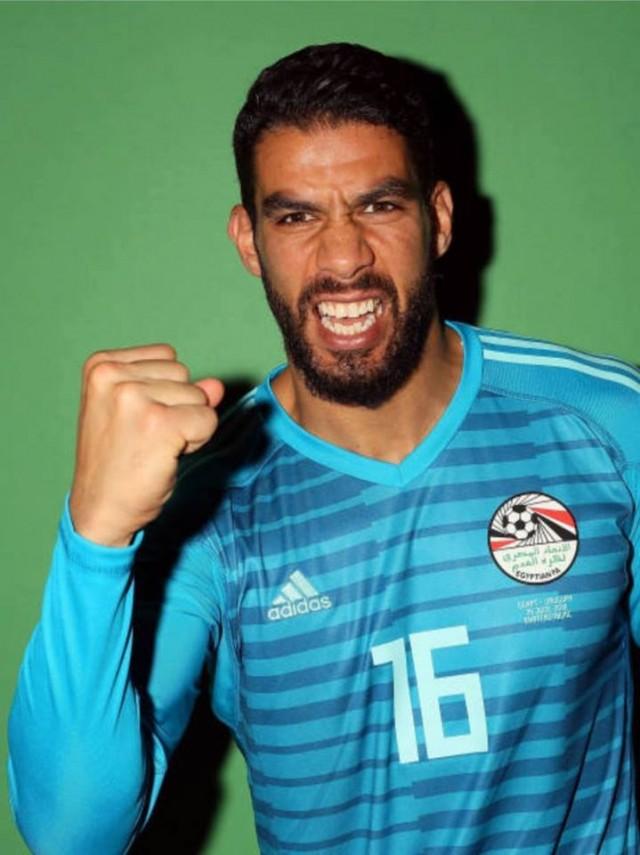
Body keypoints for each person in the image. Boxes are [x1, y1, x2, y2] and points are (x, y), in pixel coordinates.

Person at [8, 42, 640, 854]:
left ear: (440, 219)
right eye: (296, 216)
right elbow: (71, 835)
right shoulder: (210, 504)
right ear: (249, 241)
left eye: (379, 205)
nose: (344, 258)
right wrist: (94, 536)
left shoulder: (606, 426)